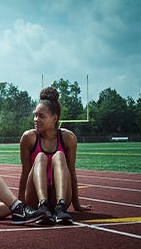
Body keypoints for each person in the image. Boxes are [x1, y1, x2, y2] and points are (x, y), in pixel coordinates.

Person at [18, 87, 92, 225]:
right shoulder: (28, 138)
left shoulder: (68, 138)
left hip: (59, 194)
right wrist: (19, 206)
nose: (36, 119)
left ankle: (61, 207)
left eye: (41, 116)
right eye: (35, 115)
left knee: (59, 155)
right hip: (35, 197)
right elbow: (25, 173)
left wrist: (76, 204)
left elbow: (72, 172)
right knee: (40, 157)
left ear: (54, 119)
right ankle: (43, 205)